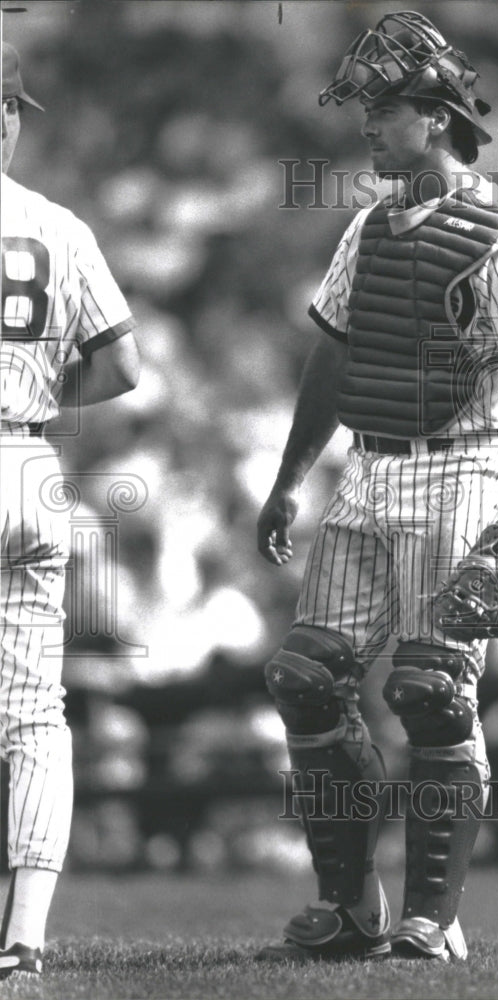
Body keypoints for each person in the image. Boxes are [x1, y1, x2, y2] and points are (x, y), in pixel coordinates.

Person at [257, 11, 498, 962]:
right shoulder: (368, 225)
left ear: (434, 117)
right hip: (368, 469)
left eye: (383, 109)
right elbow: (333, 356)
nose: (366, 125)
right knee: (304, 677)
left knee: (432, 690)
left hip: (462, 464)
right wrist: (287, 478)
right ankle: (351, 907)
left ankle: (433, 917)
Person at [0, 40, 140, 979]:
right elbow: (125, 366)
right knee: (33, 717)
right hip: (26, 460)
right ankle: (24, 937)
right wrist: (41, 396)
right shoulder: (58, 224)